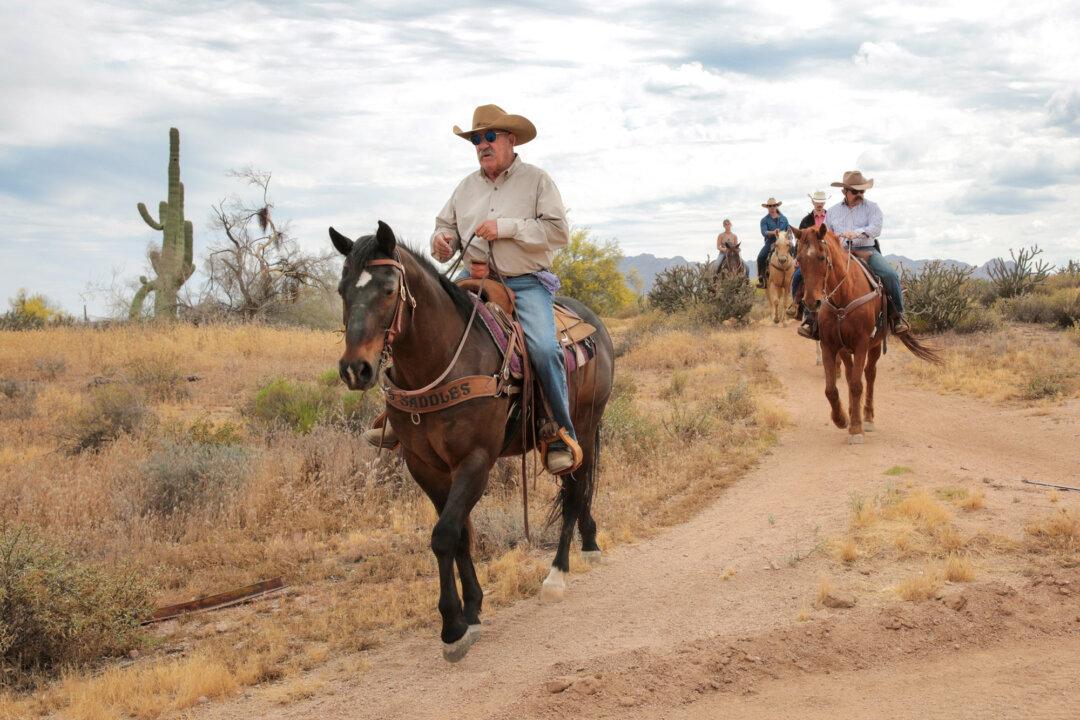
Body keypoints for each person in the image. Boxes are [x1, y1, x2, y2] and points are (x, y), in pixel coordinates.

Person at [427, 103, 579, 473]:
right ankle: (401, 421)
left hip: (525, 283)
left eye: (489, 136)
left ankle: (559, 432)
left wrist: (506, 227)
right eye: (477, 139)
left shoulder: (537, 181)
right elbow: (442, 226)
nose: (482, 144)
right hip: (474, 279)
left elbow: (560, 232)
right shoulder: (465, 188)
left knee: (543, 347)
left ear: (511, 140)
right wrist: (441, 241)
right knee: (426, 324)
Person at [798, 170, 910, 339]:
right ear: (844, 192)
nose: (859, 194)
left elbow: (876, 228)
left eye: (861, 191)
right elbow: (826, 234)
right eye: (855, 191)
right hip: (841, 253)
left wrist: (857, 233)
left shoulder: (872, 207)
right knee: (810, 274)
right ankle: (810, 319)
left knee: (890, 275)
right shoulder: (833, 212)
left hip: (867, 251)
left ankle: (897, 317)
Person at [791, 191, 828, 317]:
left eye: (821, 201)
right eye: (817, 201)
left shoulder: (830, 217)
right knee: (797, 277)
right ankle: (796, 304)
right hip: (809, 256)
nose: (819, 204)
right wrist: (797, 257)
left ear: (824, 202)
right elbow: (799, 242)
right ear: (813, 202)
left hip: (826, 254)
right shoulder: (806, 221)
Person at [756, 198, 789, 288]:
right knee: (761, 257)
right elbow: (764, 232)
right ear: (767, 207)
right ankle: (762, 278)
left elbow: (788, 230)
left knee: (796, 253)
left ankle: (796, 277)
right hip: (771, 241)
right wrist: (773, 232)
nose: (772, 207)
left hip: (784, 241)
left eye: (774, 205)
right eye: (770, 206)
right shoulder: (764, 220)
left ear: (776, 206)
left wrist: (788, 238)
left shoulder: (784, 218)